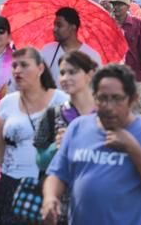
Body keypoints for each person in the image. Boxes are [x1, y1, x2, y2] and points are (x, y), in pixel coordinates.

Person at [41, 64, 141, 225]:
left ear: (132, 99)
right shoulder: (78, 127)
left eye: (117, 98)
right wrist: (50, 198)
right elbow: (57, 173)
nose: (108, 106)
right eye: (102, 98)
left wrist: (133, 149)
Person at [0, 47, 67, 225]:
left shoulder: (62, 101)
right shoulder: (7, 103)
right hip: (11, 183)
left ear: (40, 68)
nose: (17, 70)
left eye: (24, 65)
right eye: (14, 66)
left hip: (49, 185)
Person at [34, 51, 97, 225]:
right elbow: (40, 162)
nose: (65, 78)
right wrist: (55, 148)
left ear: (89, 74)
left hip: (97, 206)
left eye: (72, 72)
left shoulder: (105, 116)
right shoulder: (52, 114)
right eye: (62, 73)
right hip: (60, 207)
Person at [39, 7, 103, 88]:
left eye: (59, 25)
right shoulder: (47, 50)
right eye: (54, 25)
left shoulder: (91, 56)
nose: (54, 29)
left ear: (73, 27)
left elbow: (96, 87)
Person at [112, 0, 141, 105]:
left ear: (127, 7)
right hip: (113, 73)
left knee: (135, 107)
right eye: (114, 5)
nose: (116, 7)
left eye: (119, 5)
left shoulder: (137, 23)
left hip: (134, 72)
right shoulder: (108, 23)